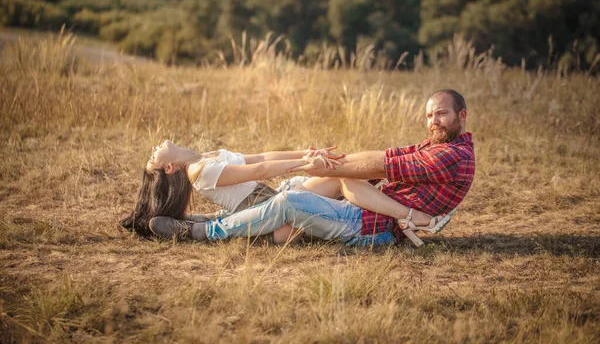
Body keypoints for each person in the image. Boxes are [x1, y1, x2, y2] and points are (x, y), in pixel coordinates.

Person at [196, 88, 475, 247]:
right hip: (371, 211)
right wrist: (334, 163)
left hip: (374, 226)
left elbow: (382, 166)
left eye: (441, 114)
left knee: (290, 201)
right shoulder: (434, 146)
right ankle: (227, 220)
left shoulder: (452, 157)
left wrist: (319, 168)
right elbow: (386, 154)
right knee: (304, 186)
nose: (433, 121)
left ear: (461, 116)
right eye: (429, 115)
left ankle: (210, 230)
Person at [120, 141, 445, 245]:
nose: (153, 148)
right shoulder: (198, 171)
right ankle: (204, 230)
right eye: (153, 157)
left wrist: (305, 156)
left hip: (272, 196)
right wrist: (305, 167)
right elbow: (259, 172)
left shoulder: (207, 158)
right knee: (302, 207)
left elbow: (262, 159)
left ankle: (405, 218)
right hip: (267, 210)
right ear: (168, 169)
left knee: (340, 171)